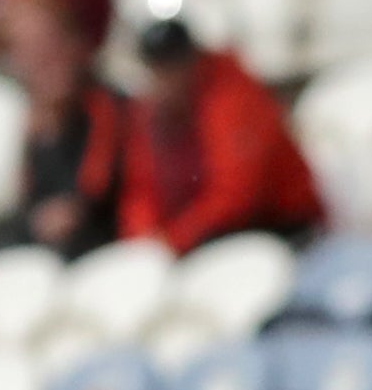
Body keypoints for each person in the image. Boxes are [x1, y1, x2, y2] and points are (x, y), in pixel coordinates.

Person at [124, 16, 323, 249]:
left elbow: (239, 194)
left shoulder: (234, 97)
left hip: (280, 227)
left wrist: (175, 238)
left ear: (194, 60)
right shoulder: (151, 113)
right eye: (158, 70)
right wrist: (146, 236)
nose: (167, 78)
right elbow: (140, 189)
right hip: (210, 236)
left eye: (174, 65)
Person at [0, 0, 135, 254]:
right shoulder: (35, 123)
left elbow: (95, 191)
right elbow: (29, 197)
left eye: (51, 44)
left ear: (77, 45)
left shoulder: (107, 107)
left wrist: (70, 210)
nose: (44, 60)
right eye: (31, 51)